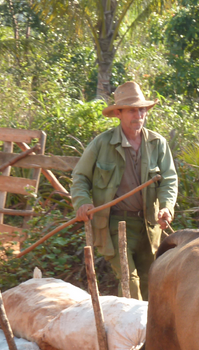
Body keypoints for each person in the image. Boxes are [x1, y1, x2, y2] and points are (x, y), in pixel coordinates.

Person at [70, 81, 178, 301]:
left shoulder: (158, 143)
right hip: (115, 225)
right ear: (118, 113)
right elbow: (80, 177)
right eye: (131, 110)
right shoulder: (102, 144)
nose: (138, 115)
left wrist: (167, 207)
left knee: (152, 280)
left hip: (149, 225)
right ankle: (131, 333)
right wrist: (82, 202)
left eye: (142, 109)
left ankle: (149, 334)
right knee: (129, 279)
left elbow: (169, 180)